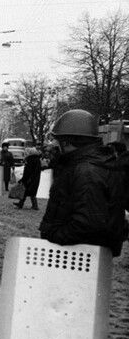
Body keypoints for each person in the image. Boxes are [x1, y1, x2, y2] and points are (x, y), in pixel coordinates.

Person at [39, 110, 126, 256]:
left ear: (67, 142)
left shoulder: (87, 171)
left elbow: (87, 223)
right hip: (87, 255)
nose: (54, 144)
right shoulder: (97, 164)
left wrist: (53, 235)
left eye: (57, 140)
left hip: (78, 256)